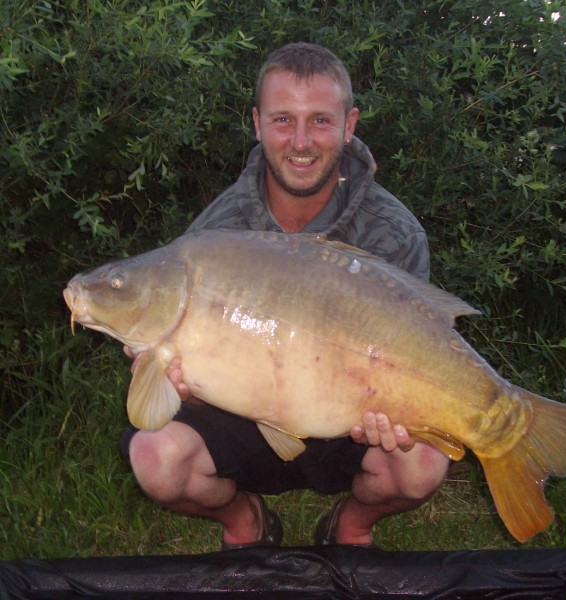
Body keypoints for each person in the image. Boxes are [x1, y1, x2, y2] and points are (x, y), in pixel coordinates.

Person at [120, 42, 449, 549]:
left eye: (320, 120)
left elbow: (426, 347)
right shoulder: (217, 233)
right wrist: (179, 382)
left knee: (421, 465)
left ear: (349, 124)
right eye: (282, 120)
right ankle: (244, 520)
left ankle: (351, 526)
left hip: (347, 415)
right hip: (244, 410)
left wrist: (395, 413)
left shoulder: (393, 233)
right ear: (256, 122)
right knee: (155, 459)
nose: (300, 141)